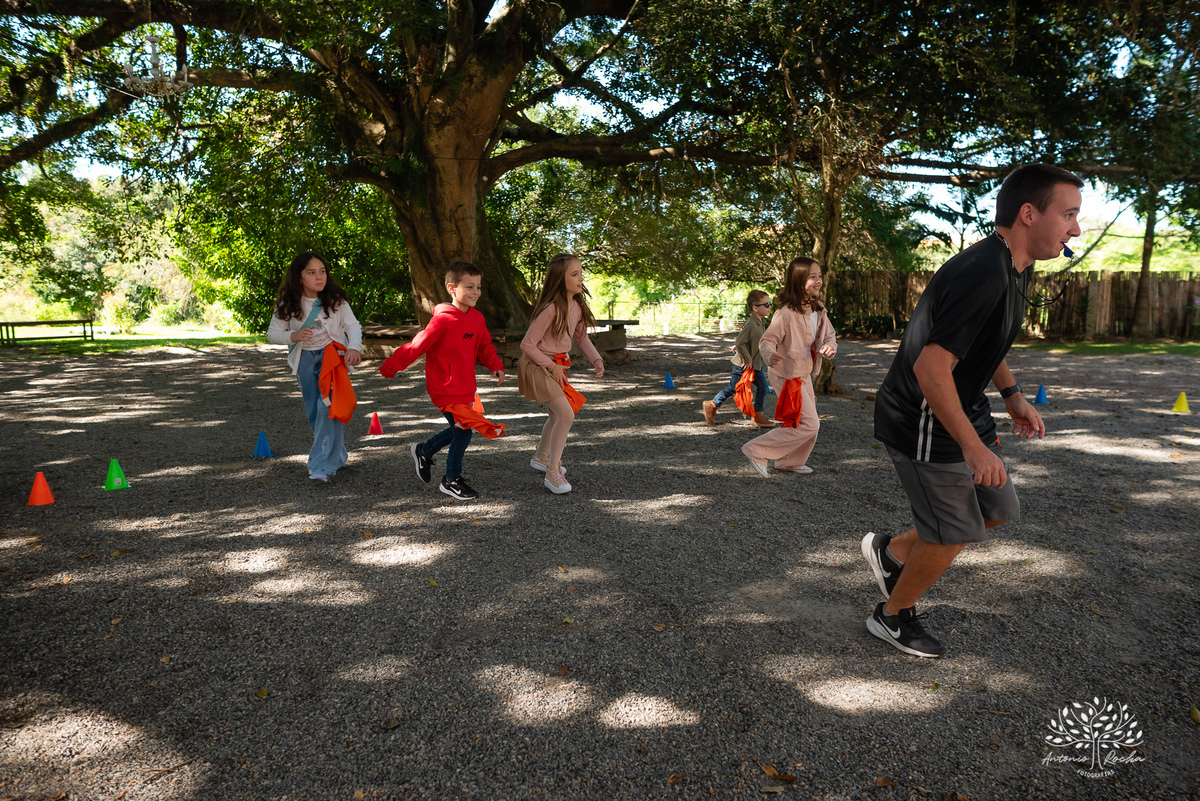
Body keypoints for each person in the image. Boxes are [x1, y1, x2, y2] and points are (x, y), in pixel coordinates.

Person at [863, 163, 1082, 658]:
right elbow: (931, 368)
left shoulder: (1014, 267)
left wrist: (1012, 395)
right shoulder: (985, 272)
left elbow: (985, 341)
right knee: (957, 528)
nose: (1076, 228)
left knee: (998, 508)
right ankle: (891, 616)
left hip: (962, 407)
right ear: (1029, 214)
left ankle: (893, 552)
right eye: (1068, 214)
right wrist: (973, 445)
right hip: (922, 415)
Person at [379, 261, 506, 501]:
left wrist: (495, 365)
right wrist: (391, 366)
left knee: (459, 428)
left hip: (466, 387)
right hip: (445, 388)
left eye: (478, 286)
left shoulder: (477, 318)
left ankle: (424, 451)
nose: (476, 292)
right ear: (452, 288)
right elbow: (416, 346)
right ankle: (451, 480)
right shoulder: (442, 321)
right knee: (464, 432)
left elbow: (483, 345)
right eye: (469, 286)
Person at [266, 252, 363, 483]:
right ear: (299, 277)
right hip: (305, 361)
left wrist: (355, 348)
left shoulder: (336, 301)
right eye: (311, 272)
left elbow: (353, 326)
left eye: (322, 271)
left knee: (327, 408)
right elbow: (272, 334)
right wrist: (294, 335)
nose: (319, 277)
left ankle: (321, 465)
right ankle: (336, 454)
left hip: (332, 360)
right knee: (314, 412)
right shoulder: (288, 304)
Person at [518, 253, 605, 494]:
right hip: (538, 366)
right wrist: (551, 365)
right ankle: (552, 471)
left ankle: (541, 456)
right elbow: (527, 344)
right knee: (566, 415)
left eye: (581, 273)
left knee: (557, 417)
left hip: (555, 366)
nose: (581, 278)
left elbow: (581, 337)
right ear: (559, 279)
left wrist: (596, 358)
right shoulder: (551, 309)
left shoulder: (576, 306)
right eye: (574, 274)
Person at [741, 257, 837, 476]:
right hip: (786, 374)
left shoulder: (818, 309)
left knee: (805, 420)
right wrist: (770, 355)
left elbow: (829, 336)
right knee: (810, 423)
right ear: (798, 280)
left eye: (819, 276)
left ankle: (789, 462)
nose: (818, 280)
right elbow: (766, 341)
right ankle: (755, 450)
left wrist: (829, 346)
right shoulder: (785, 313)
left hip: (804, 373)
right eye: (812, 277)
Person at [703, 290, 775, 427]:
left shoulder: (761, 321)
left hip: (755, 364)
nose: (770, 306)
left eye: (770, 303)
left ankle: (758, 416)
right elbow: (740, 341)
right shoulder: (752, 324)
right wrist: (747, 358)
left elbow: (749, 340)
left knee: (763, 387)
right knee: (734, 387)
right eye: (767, 304)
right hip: (743, 364)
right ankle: (712, 405)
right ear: (755, 308)